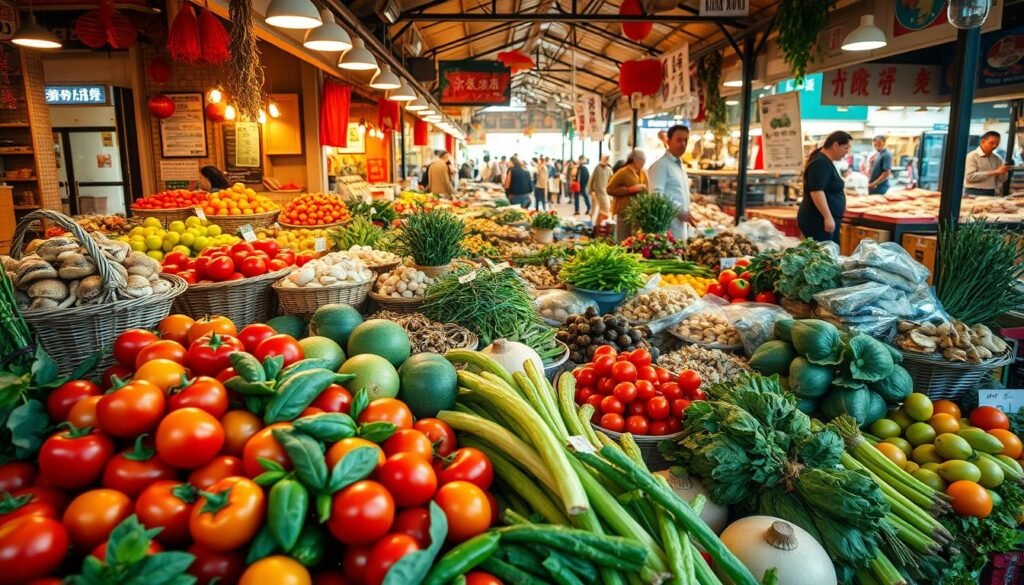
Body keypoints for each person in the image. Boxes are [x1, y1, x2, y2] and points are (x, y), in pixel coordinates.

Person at [798, 131, 852, 244]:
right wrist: (828, 217)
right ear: (836, 145)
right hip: (817, 219)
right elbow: (816, 191)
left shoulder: (824, 161)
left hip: (821, 219)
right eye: (846, 148)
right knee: (823, 255)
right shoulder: (820, 163)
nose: (847, 152)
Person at [647, 125, 694, 240]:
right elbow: (656, 196)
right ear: (668, 141)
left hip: (680, 230)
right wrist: (680, 211)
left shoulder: (679, 166)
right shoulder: (660, 166)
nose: (683, 144)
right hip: (666, 232)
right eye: (679, 140)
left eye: (685, 140)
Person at [607, 149, 649, 242]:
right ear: (636, 160)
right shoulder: (622, 172)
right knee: (624, 239)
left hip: (639, 212)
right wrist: (630, 190)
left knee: (637, 240)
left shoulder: (643, 172)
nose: (643, 163)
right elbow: (610, 189)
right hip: (624, 212)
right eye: (643, 160)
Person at [965, 131, 1012, 196]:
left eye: (997, 143)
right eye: (991, 143)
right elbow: (970, 177)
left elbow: (1002, 180)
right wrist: (995, 172)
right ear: (983, 141)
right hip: (973, 192)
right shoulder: (972, 156)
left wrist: (1003, 172)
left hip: (991, 191)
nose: (995, 146)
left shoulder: (997, 158)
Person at [589, 155, 612, 225]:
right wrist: (591, 191)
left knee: (605, 211)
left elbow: (611, 181)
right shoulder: (597, 168)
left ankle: (599, 226)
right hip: (597, 194)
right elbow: (591, 181)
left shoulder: (609, 170)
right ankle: (596, 226)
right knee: (596, 211)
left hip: (605, 194)